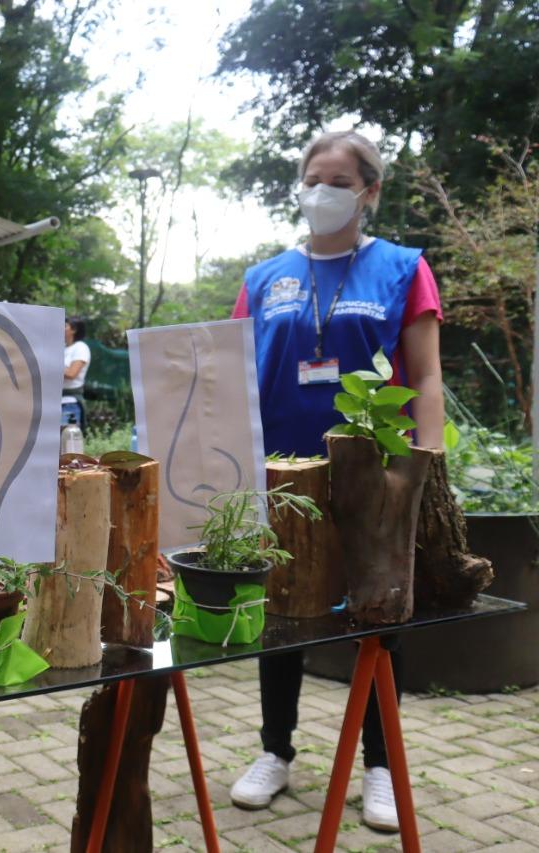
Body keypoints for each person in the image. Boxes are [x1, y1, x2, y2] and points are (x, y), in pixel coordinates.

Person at [227, 130, 444, 833]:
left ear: (369, 191)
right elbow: (230, 374)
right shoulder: (264, 278)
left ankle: (381, 765)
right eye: (313, 179)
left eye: (340, 182)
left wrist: (426, 470)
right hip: (281, 475)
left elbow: (427, 375)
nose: (322, 192)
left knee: (378, 615)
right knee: (281, 615)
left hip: (373, 474)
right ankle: (274, 750)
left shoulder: (403, 268)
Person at [62, 317, 91, 430]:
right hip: (54, 402)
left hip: (70, 402)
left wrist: (50, 367)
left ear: (74, 330)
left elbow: (71, 373)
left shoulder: (80, 348)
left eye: (65, 326)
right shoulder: (62, 348)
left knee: (67, 437)